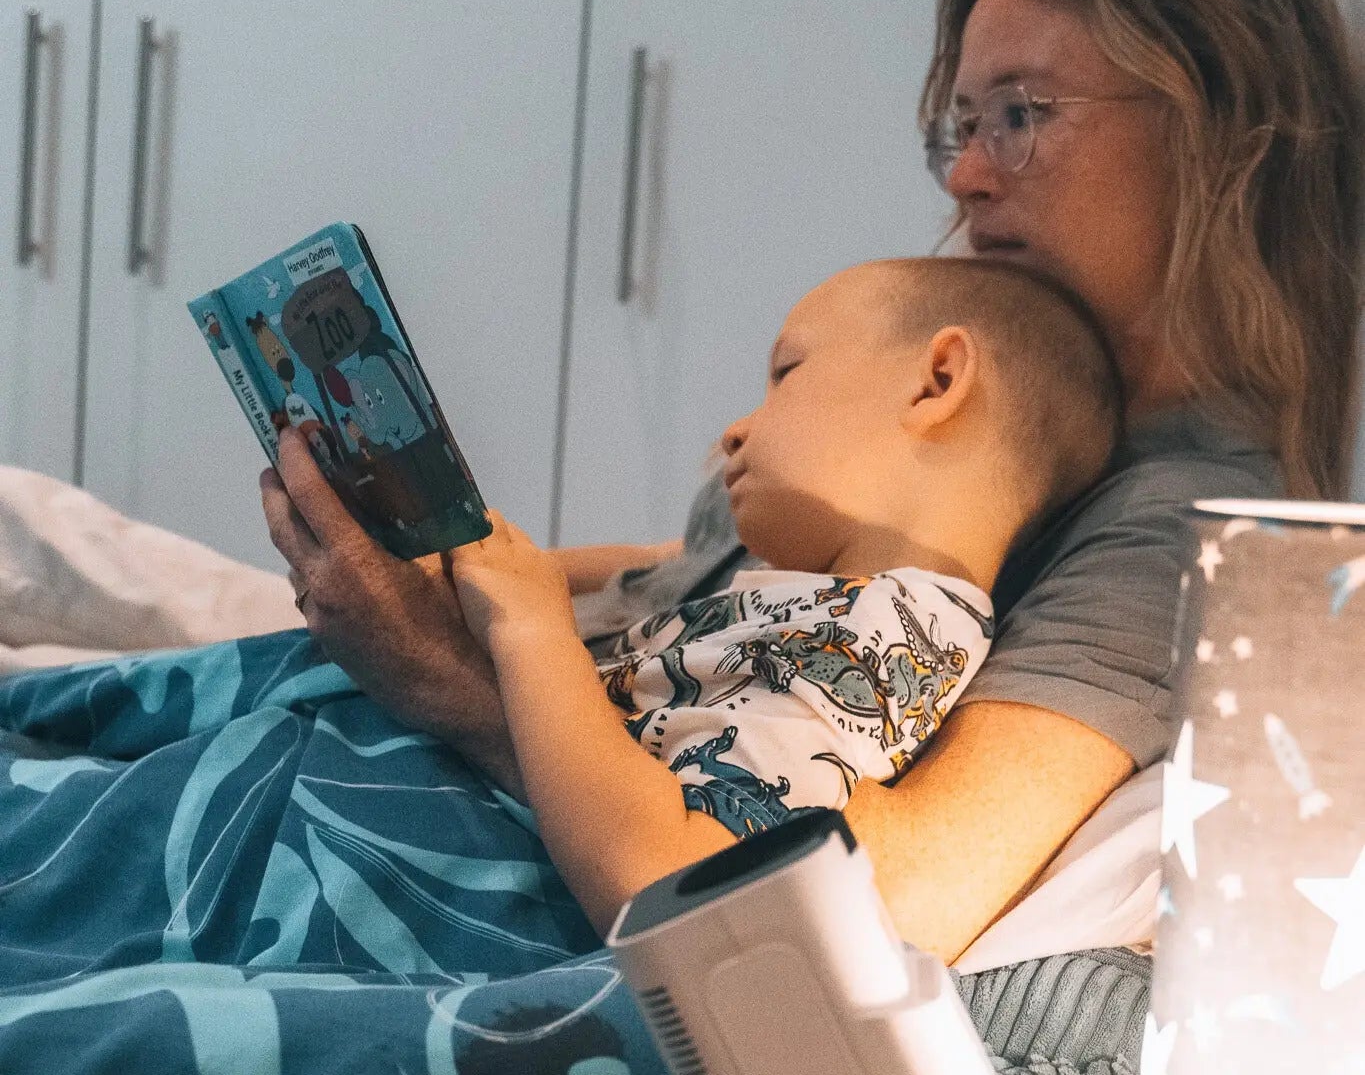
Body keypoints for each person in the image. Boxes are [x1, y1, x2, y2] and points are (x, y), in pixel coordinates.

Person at [266, 0, 1364, 963]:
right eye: (961, 126)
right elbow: (695, 572)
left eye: (1022, 116)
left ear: (1218, 131)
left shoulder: (1184, 531)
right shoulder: (995, 393)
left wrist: (459, 682)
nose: (966, 176)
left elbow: (858, 904)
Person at [0, 255, 1115, 956]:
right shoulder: (814, 594)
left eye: (785, 374)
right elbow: (638, 576)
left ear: (936, 381)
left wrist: (531, 627)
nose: (735, 429)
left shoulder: (894, 634)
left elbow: (688, 871)